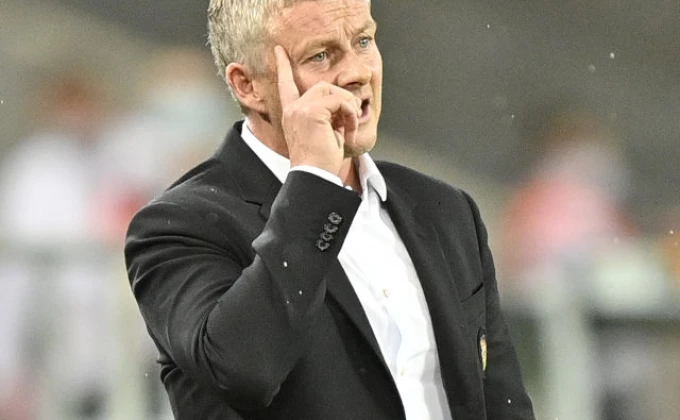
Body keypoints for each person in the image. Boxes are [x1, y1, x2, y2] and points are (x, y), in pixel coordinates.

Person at [124, 1, 535, 419]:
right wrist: (315, 182)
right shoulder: (178, 226)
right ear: (248, 85)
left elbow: (504, 403)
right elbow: (244, 370)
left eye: (363, 41)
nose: (358, 72)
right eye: (320, 55)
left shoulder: (445, 209)